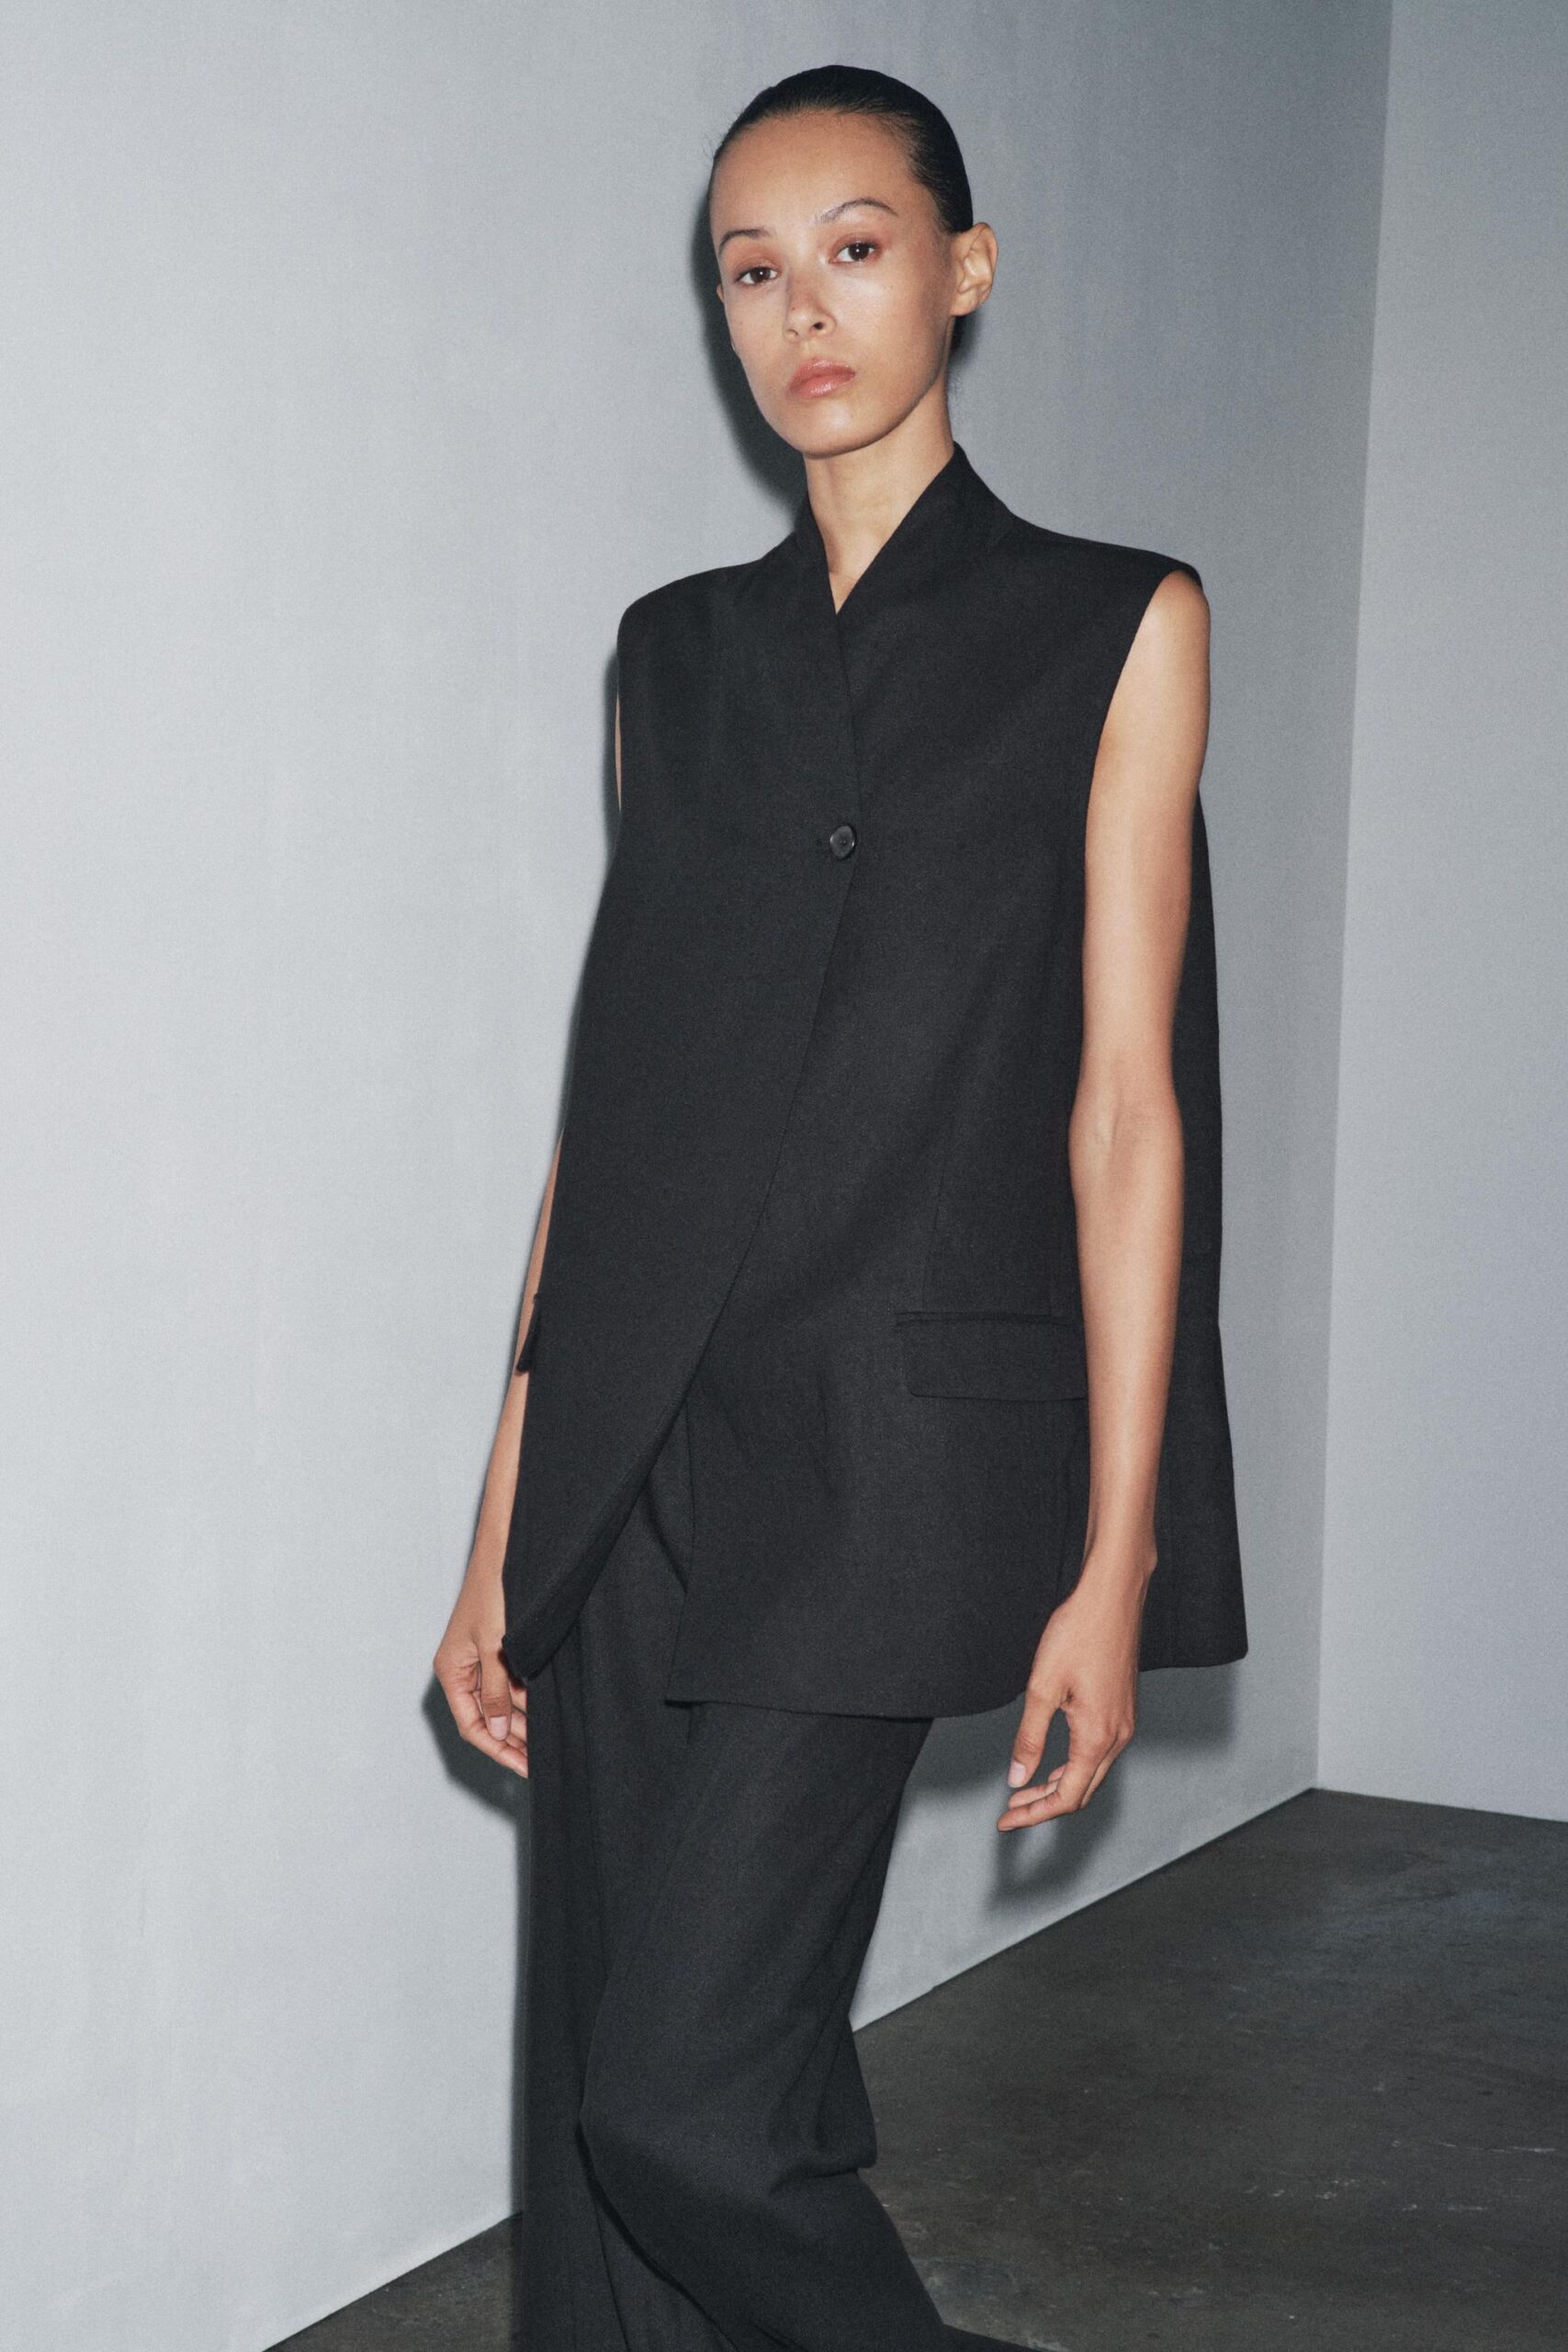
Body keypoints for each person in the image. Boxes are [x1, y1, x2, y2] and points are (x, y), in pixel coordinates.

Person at [435, 62, 1247, 2352]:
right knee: (605, 2137)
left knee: (682, 2109)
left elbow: (1122, 1109)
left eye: (856, 249)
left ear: (960, 272)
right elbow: (616, 1114)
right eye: (751, 270)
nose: (802, 310)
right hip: (634, 1458)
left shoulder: (1112, 621)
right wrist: (503, 1520)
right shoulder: (671, 659)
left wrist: (1113, 1552)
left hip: (888, 1459)